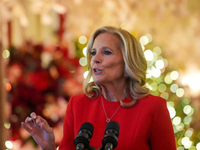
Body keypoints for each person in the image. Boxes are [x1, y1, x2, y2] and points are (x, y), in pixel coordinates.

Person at [21, 26, 176, 150]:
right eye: (93, 53)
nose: (95, 59)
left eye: (106, 52)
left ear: (128, 61)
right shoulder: (77, 104)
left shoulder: (154, 108)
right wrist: (48, 147)